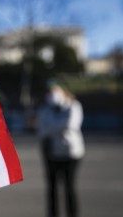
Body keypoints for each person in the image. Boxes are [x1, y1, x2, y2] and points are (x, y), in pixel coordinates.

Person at [38, 82, 85, 217]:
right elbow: (42, 130)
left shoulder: (74, 106)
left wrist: (51, 127)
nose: (52, 94)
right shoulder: (45, 109)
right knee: (51, 188)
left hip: (71, 153)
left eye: (55, 90)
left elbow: (71, 125)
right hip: (51, 152)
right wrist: (58, 126)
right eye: (49, 91)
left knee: (69, 186)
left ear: (63, 91)